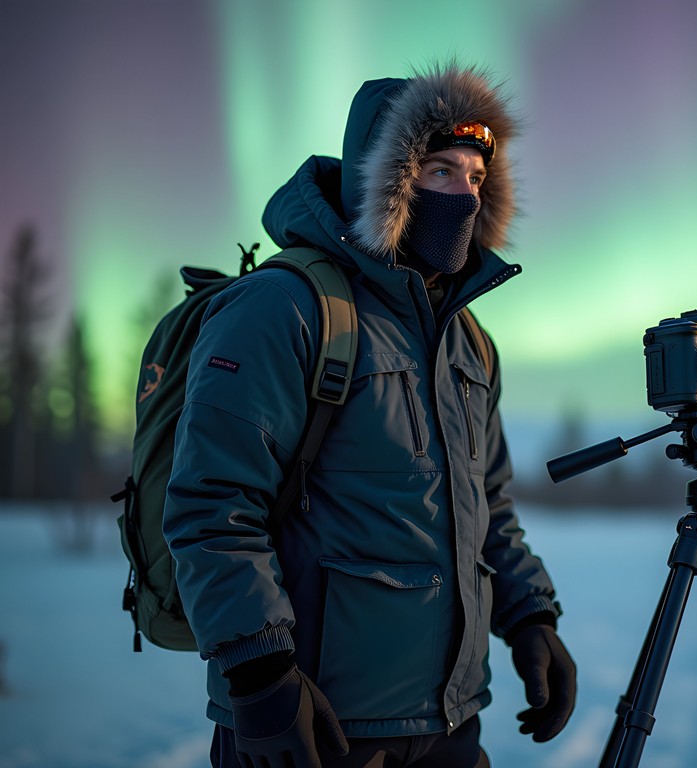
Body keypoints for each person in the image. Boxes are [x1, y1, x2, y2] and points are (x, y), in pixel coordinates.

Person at [162, 62, 577, 768]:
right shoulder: (284, 309)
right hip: (318, 725)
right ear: (383, 182)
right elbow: (213, 505)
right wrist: (260, 678)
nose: (464, 196)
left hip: (449, 724)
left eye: (477, 178)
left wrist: (530, 614)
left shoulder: (469, 343)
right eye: (441, 170)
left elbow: (488, 504)